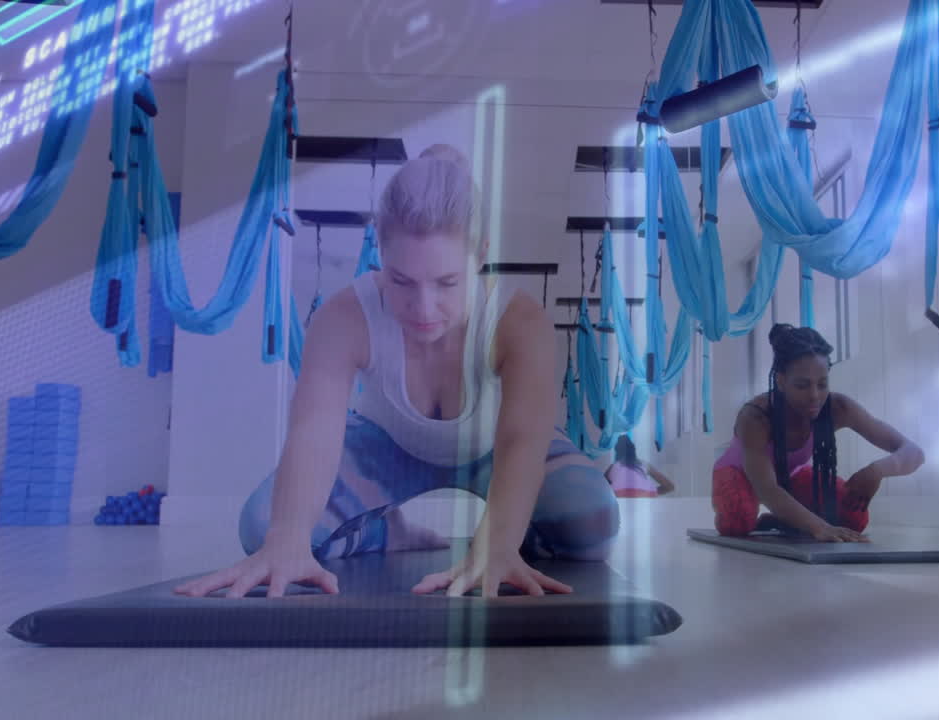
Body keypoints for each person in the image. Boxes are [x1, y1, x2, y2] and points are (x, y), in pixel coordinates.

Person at [174, 145, 619, 600]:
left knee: (593, 524)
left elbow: (522, 442)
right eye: (401, 281)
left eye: (447, 283)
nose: (423, 309)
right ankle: (384, 531)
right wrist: (287, 539)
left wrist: (498, 543)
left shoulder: (519, 322)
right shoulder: (344, 316)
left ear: (481, 255)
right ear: (380, 254)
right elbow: (314, 431)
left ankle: (512, 533)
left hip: (496, 451)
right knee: (262, 527)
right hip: (387, 451)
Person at [711, 324, 925, 541]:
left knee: (852, 518)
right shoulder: (756, 417)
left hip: (789, 477)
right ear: (781, 381)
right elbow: (767, 489)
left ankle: (781, 518)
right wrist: (818, 526)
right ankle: (781, 515)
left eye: (822, 384)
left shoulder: (838, 407)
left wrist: (877, 470)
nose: (814, 395)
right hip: (739, 474)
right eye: (802, 386)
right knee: (737, 520)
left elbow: (914, 452)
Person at [604, 434, 675, 498]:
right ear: (633, 449)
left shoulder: (612, 467)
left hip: (619, 495)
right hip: (646, 495)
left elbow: (601, 488)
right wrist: (650, 492)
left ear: (617, 452)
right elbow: (669, 486)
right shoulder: (643, 464)